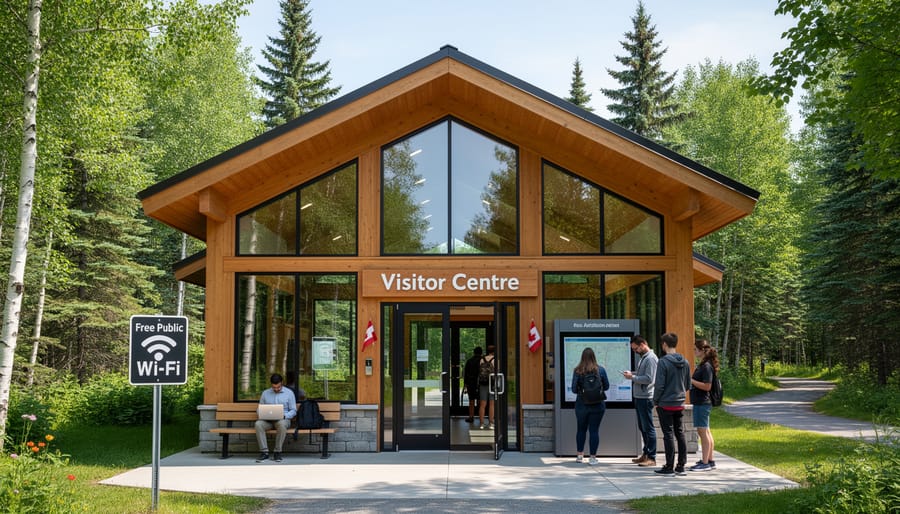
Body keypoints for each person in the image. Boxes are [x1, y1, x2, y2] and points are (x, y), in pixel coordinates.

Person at [652, 332, 690, 476]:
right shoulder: (685, 361)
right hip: (679, 402)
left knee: (668, 434)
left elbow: (659, 385)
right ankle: (681, 466)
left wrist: (655, 400)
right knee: (680, 433)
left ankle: (669, 466)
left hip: (665, 403)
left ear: (665, 345)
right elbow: (687, 384)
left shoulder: (663, 361)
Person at [623, 334, 658, 467]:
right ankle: (646, 454)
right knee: (642, 427)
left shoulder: (651, 359)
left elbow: (649, 379)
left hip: (646, 397)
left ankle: (652, 457)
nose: (635, 351)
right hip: (639, 397)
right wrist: (632, 373)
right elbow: (642, 375)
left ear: (643, 344)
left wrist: (632, 377)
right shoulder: (644, 358)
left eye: (636, 348)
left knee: (648, 427)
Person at [571, 347, 610, 465]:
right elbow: (607, 387)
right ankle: (592, 458)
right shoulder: (601, 370)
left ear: (582, 357)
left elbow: (573, 389)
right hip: (598, 405)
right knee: (594, 430)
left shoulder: (577, 371)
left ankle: (579, 456)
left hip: (581, 405)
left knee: (581, 429)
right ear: (594, 357)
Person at [689, 339, 719, 471]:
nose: (694, 351)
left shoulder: (706, 366)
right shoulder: (704, 364)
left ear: (702, 350)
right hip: (701, 402)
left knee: (702, 432)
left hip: (702, 402)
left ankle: (705, 462)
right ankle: (710, 460)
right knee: (706, 431)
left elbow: (707, 386)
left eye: (695, 349)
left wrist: (691, 381)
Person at [254, 373, 296, 463]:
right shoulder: (265, 393)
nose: (276, 389)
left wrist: (285, 416)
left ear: (282, 383)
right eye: (274, 387)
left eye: (278, 387)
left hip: (283, 419)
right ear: (271, 385)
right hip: (267, 420)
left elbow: (293, 410)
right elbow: (259, 408)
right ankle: (264, 452)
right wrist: (260, 413)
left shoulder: (289, 393)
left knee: (281, 424)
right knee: (258, 424)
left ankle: (277, 452)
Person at [478, 345, 497, 430]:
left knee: (482, 405)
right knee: (491, 404)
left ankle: (481, 423)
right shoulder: (495, 360)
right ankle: (491, 423)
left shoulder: (482, 359)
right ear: (494, 351)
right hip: (492, 383)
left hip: (483, 383)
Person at [463, 347, 483, 423]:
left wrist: (465, 384)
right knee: (481, 401)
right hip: (481, 383)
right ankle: (481, 416)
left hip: (471, 383)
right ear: (481, 353)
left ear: (474, 352)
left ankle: (471, 417)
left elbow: (466, 374)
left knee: (471, 401)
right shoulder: (483, 360)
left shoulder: (469, 361)